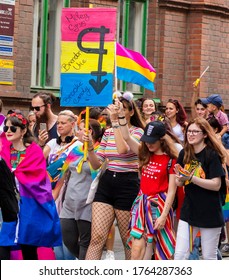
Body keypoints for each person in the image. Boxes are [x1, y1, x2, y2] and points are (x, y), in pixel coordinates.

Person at [84, 91, 145, 260]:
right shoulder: (109, 132)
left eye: (122, 109)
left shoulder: (138, 132)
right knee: (96, 238)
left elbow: (123, 149)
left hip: (128, 184)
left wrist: (116, 122)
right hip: (107, 181)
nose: (117, 111)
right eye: (116, 108)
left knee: (128, 240)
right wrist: (89, 146)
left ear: (131, 112)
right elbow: (97, 164)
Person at [115, 101, 177, 259]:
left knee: (160, 249)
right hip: (141, 203)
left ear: (161, 140)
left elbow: (171, 191)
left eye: (152, 140)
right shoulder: (144, 153)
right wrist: (121, 116)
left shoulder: (171, 159)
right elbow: (127, 137)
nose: (148, 143)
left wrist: (163, 216)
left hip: (160, 204)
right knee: (136, 248)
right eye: (146, 140)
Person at [0, 111, 61, 260]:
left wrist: (17, 175)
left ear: (23, 130)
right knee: (4, 248)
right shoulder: (3, 151)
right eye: (6, 128)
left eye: (13, 128)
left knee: (29, 252)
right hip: (7, 208)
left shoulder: (34, 152)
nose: (8, 131)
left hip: (29, 208)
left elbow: (40, 181)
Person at [174, 117, 226, 260]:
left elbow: (216, 185)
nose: (190, 134)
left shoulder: (211, 154)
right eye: (189, 131)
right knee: (179, 256)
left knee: (209, 257)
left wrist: (191, 178)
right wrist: (180, 178)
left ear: (204, 134)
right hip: (189, 210)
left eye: (195, 131)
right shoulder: (184, 153)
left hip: (209, 213)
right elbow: (179, 183)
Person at [57, 118, 105, 260]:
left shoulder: (100, 150)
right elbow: (65, 172)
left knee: (85, 243)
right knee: (68, 240)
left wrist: (89, 149)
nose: (77, 132)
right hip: (70, 203)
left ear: (89, 132)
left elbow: (97, 170)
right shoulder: (76, 149)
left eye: (80, 128)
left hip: (87, 203)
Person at [43, 110, 78, 260]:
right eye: (58, 123)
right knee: (55, 233)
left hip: (66, 192)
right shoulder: (52, 143)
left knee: (66, 234)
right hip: (49, 189)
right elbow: (38, 161)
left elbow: (67, 172)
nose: (60, 125)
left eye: (63, 123)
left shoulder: (78, 145)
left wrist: (56, 191)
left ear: (73, 124)